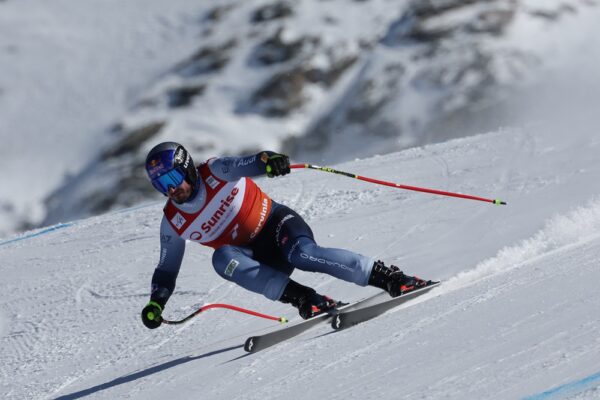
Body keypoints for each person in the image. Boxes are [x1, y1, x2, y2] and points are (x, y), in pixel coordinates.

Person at [141, 142, 429, 329]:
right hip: (258, 258)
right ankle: (307, 299)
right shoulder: (173, 222)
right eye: (161, 184)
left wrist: (270, 161)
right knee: (222, 259)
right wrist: (157, 301)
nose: (171, 189)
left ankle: (390, 278)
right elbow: (167, 268)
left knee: (302, 254)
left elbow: (251, 161)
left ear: (187, 169)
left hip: (278, 226)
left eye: (173, 178)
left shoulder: (215, 172)